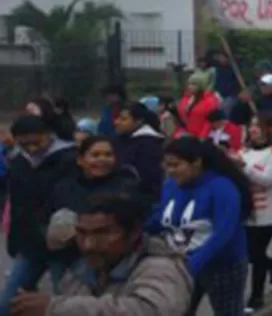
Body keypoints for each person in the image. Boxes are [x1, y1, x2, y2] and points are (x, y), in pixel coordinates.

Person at [10, 193, 193, 316]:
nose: (89, 244)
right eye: (82, 233)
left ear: (134, 233)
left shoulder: (159, 267)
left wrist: (55, 308)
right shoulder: (82, 270)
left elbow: (151, 310)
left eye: (103, 233)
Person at [148, 137, 252, 316]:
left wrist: (191, 264)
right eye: (167, 165)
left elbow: (224, 233)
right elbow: (162, 217)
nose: (170, 171)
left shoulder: (221, 187)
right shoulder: (171, 185)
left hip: (222, 265)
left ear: (196, 162)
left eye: (175, 165)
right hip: (182, 262)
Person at [0, 115, 78, 316]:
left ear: (48, 135)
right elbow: (17, 205)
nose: (32, 149)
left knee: (67, 303)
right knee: (8, 302)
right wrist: (14, 239)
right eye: (25, 144)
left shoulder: (70, 159)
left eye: (37, 142)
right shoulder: (18, 162)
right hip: (29, 246)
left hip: (61, 246)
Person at [45, 136, 139, 269]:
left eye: (108, 155)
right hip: (64, 256)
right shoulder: (64, 187)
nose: (102, 159)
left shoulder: (127, 185)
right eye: (95, 155)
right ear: (80, 160)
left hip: (108, 258)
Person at [237, 113, 272, 312]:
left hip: (269, 213)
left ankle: (256, 296)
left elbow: (267, 179)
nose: (252, 129)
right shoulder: (244, 151)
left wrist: (244, 168)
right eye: (251, 125)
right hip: (248, 212)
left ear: (270, 129)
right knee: (252, 254)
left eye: (257, 126)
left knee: (255, 253)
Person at [112, 102, 166, 199]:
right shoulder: (120, 139)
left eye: (123, 119)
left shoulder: (149, 145)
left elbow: (150, 179)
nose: (116, 122)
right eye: (116, 118)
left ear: (138, 121)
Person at [178, 73, 221, 139]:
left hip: (204, 136)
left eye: (193, 84)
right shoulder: (187, 99)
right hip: (190, 134)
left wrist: (202, 137)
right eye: (189, 84)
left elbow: (209, 122)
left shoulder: (210, 100)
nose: (190, 86)